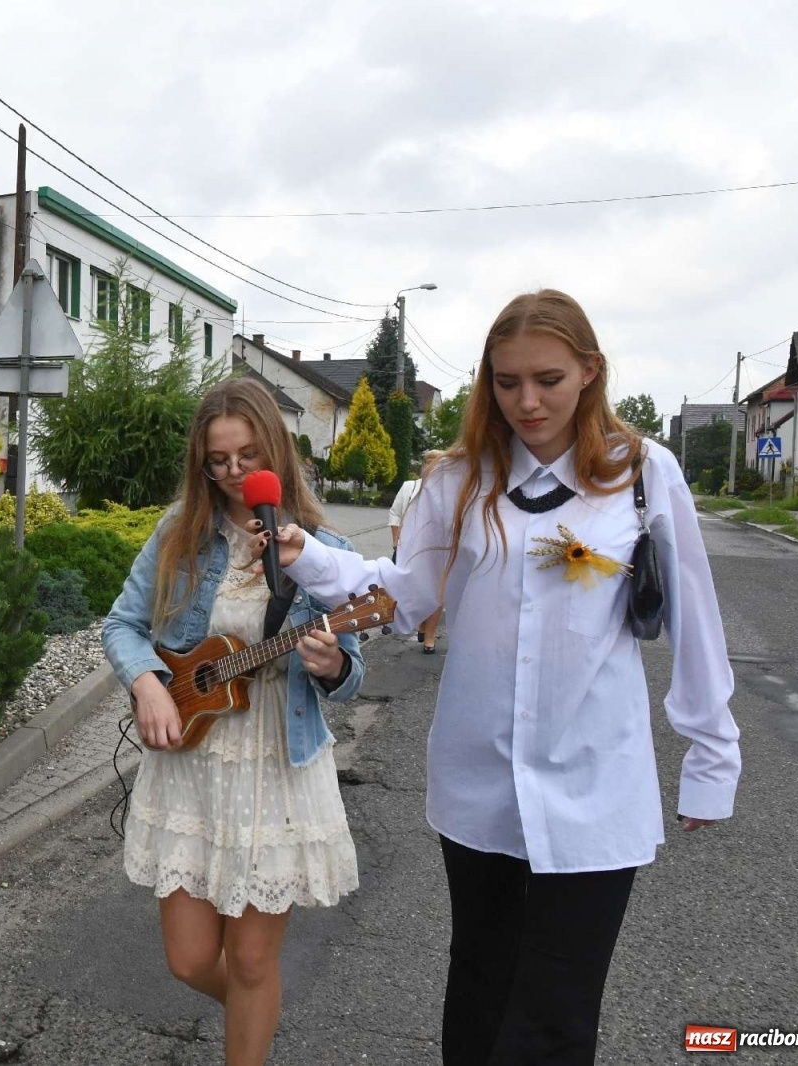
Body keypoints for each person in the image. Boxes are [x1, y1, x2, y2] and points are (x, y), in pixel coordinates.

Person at [258, 290, 741, 1065]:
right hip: (479, 781)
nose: (527, 402)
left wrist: (712, 757)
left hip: (594, 783)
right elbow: (407, 596)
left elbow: (694, 617)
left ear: (590, 371)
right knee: (480, 988)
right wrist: (308, 557)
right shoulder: (458, 479)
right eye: (507, 381)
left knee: (556, 1013)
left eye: (549, 380)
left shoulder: (644, 474)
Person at [104, 378, 366, 1066]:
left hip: (276, 760)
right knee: (190, 960)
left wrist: (331, 664)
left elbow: (352, 675)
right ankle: (258, 1013)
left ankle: (251, 1026)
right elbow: (123, 623)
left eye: (247, 456)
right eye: (217, 460)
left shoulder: (323, 546)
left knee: (251, 961)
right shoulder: (180, 533)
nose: (233, 472)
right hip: (192, 759)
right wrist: (148, 685)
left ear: (275, 450)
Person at [387, 451, 446, 652]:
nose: (431, 468)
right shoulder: (409, 487)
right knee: (417, 590)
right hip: (411, 550)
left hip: (439, 551)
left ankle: (430, 636)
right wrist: (396, 539)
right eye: (428, 463)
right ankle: (421, 623)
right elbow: (395, 513)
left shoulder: (450, 491)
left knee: (438, 594)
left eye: (437, 464)